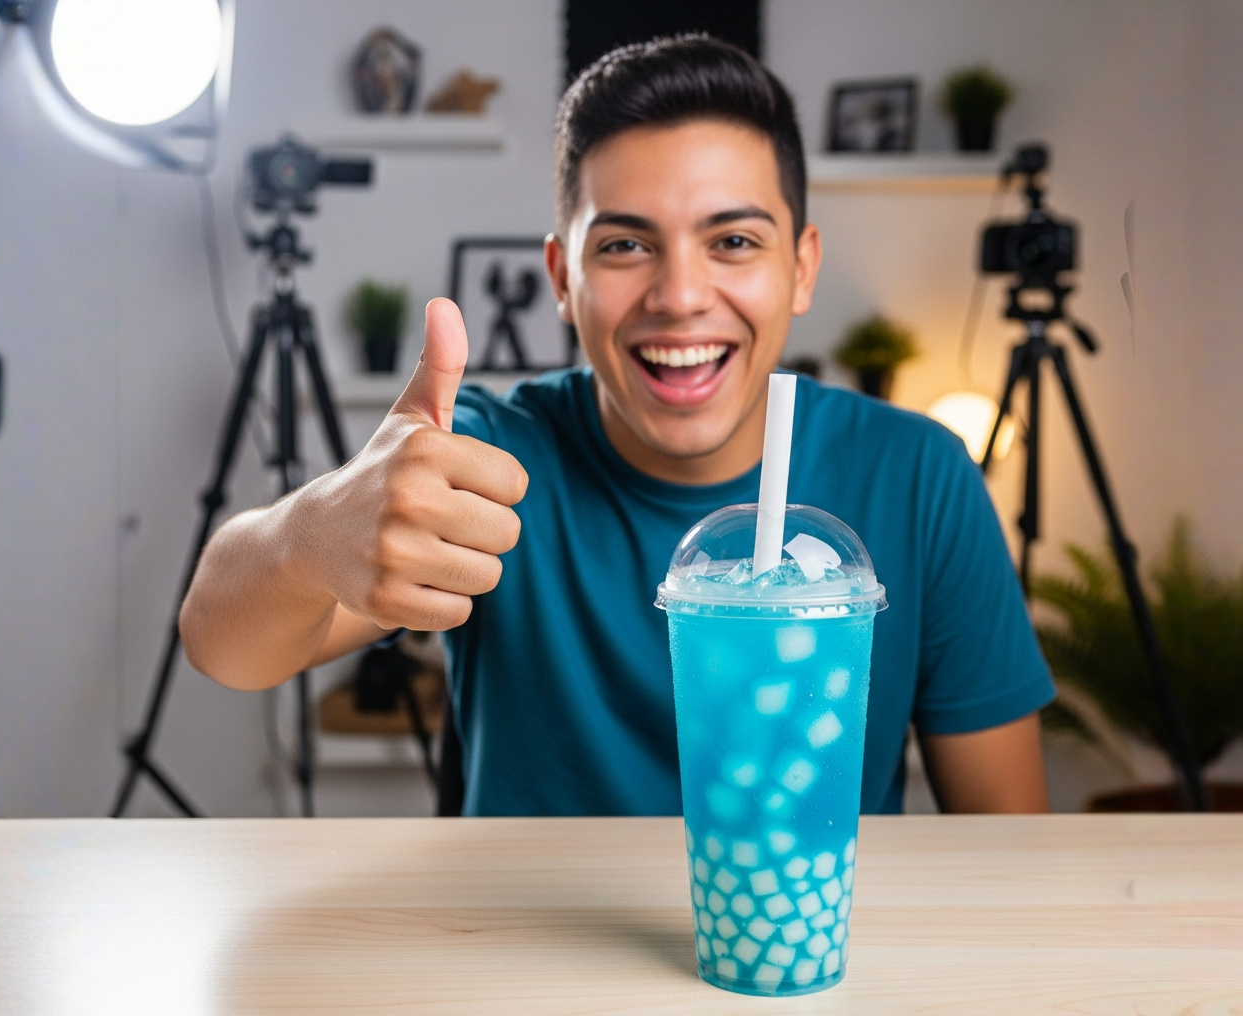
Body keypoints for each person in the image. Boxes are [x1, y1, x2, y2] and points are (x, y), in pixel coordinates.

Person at [181, 36, 1054, 815]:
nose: (679, 296)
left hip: (799, 943)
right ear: (562, 278)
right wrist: (309, 535)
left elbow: (1006, 833)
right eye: (625, 245)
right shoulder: (481, 457)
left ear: (801, 266)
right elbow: (220, 644)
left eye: (734, 242)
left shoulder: (919, 475)